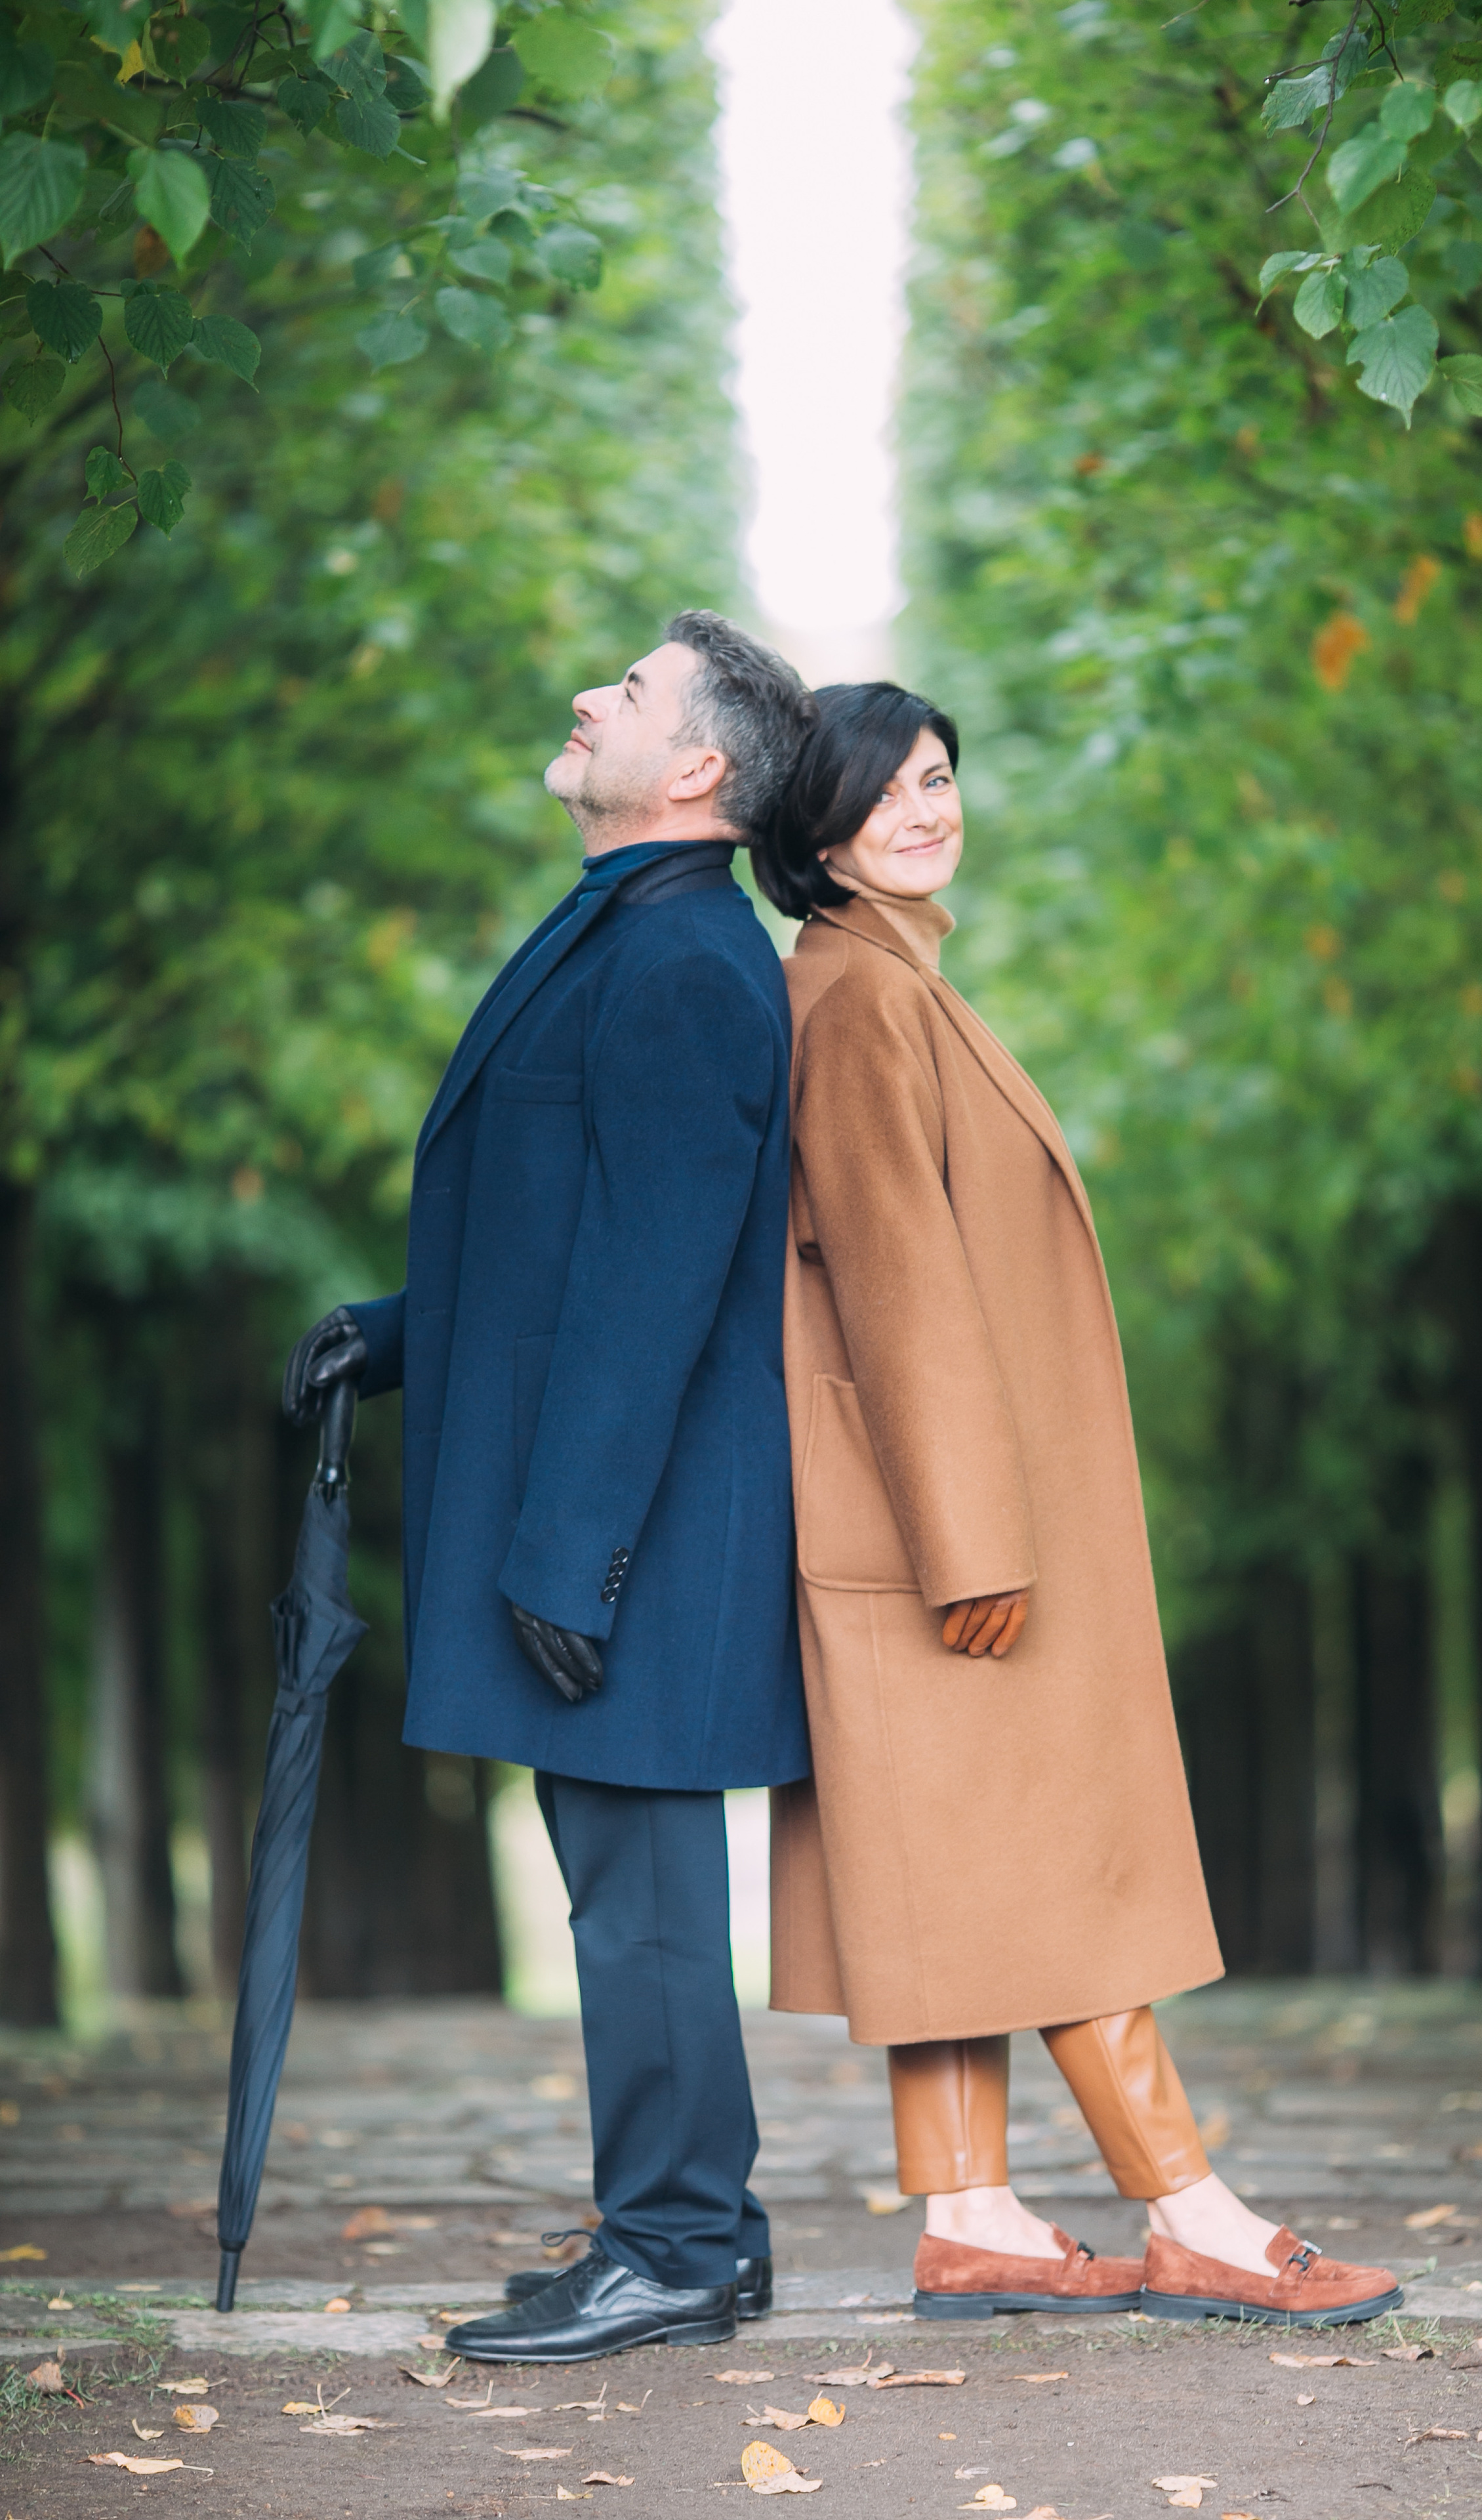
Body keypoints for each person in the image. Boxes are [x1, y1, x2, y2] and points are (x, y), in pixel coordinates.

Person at [752, 682, 1401, 2329]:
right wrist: (972, 1535)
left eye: (942, 778)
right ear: (814, 830)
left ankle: (972, 2214)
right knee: (1047, 1869)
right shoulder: (854, 999)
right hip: (941, 1538)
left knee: (956, 1879)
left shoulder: (884, 981)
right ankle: (1191, 2210)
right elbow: (896, 1279)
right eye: (890, 789)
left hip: (931, 1526)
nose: (929, 806)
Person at [282, 614, 815, 2364]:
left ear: (699, 770)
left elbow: (657, 1274)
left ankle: (671, 2243)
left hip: (629, 1516)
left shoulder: (681, 963)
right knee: (617, 1873)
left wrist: (575, 1551)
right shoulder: (638, 937)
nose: (587, 694)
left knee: (642, 1882)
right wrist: (392, 1335)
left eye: (632, 690)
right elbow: (560, 1242)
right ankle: (695, 2234)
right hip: (605, 1505)